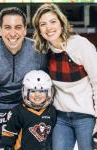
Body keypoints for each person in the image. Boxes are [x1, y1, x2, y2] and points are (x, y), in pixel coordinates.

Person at [32, 3, 97, 150]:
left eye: (53, 21)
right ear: (39, 30)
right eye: (43, 24)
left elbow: (96, 82)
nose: (49, 27)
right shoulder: (44, 52)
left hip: (86, 116)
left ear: (61, 23)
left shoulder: (81, 45)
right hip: (60, 117)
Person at [0, 6, 47, 148]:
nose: (13, 33)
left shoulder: (39, 53)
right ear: (0, 30)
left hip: (27, 110)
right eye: (7, 27)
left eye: (18, 27)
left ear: (25, 30)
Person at [1, 70, 56, 150]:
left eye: (42, 91)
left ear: (49, 92)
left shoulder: (51, 111)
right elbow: (9, 134)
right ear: (25, 92)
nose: (37, 95)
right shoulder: (18, 111)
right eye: (33, 91)